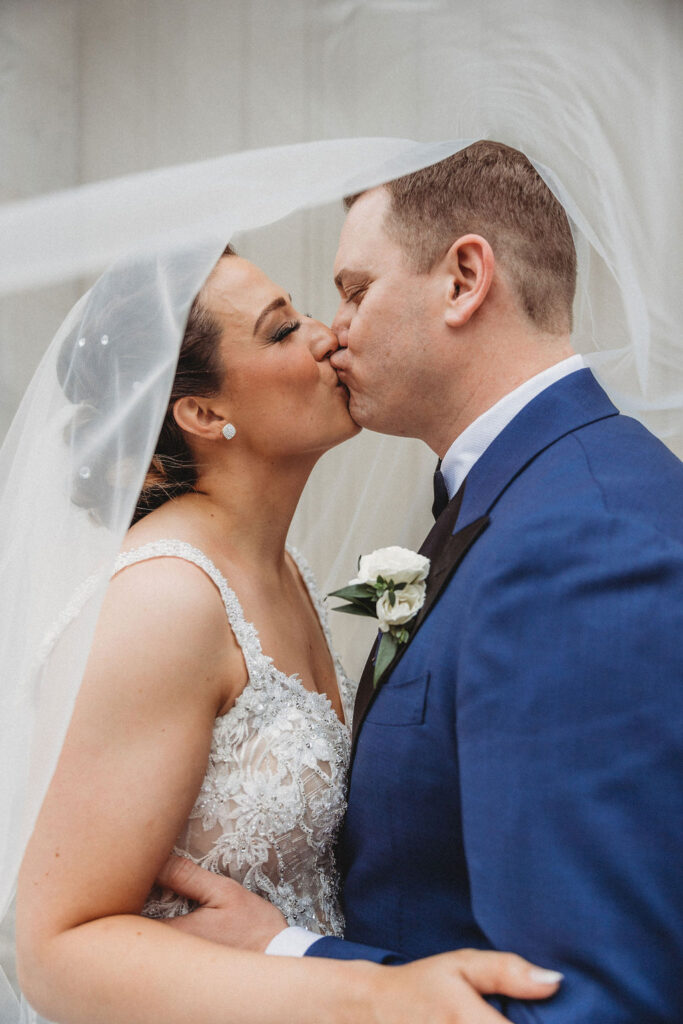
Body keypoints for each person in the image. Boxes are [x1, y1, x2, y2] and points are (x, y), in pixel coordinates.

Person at [163, 142, 683, 1023]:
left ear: (463, 279)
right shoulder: (521, 494)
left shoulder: (577, 545)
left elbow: (595, 1000)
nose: (336, 331)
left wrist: (290, 954)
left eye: (356, 290)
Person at [13, 242, 563, 1024]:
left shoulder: (286, 571)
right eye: (279, 331)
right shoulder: (166, 598)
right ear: (203, 413)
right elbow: (55, 950)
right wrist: (373, 994)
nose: (326, 335)